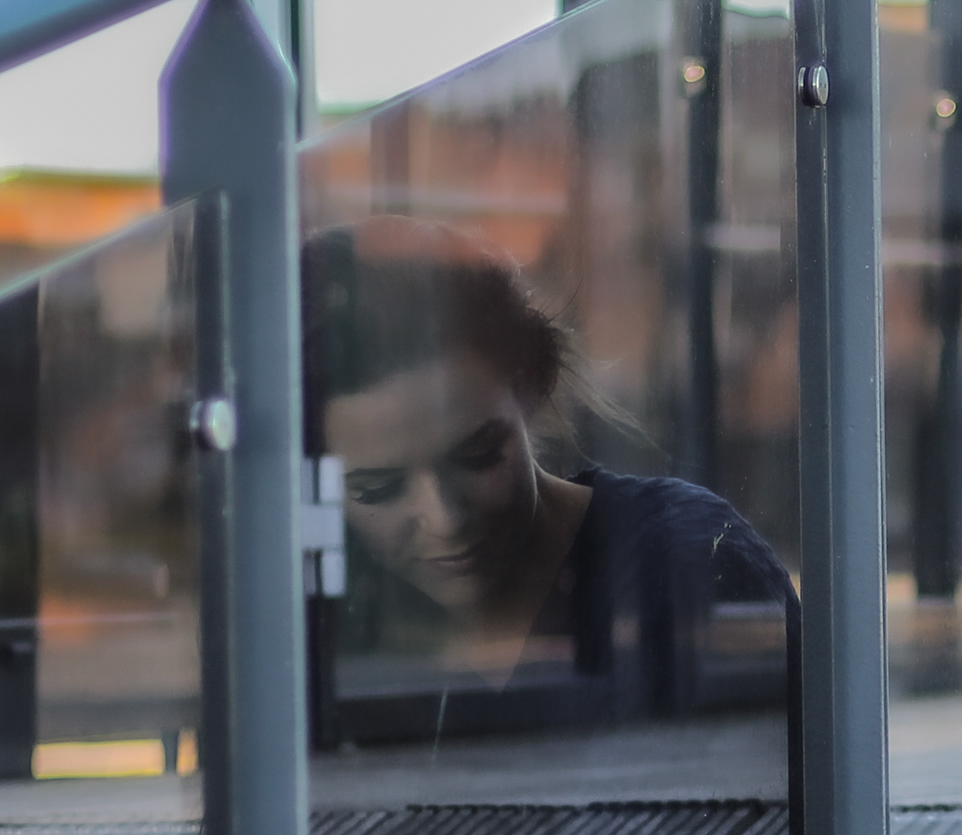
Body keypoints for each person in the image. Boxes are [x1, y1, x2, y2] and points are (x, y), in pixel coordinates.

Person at [305, 216, 793, 729]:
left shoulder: (682, 564)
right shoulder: (321, 612)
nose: (444, 519)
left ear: (533, 383)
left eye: (479, 456)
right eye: (378, 488)